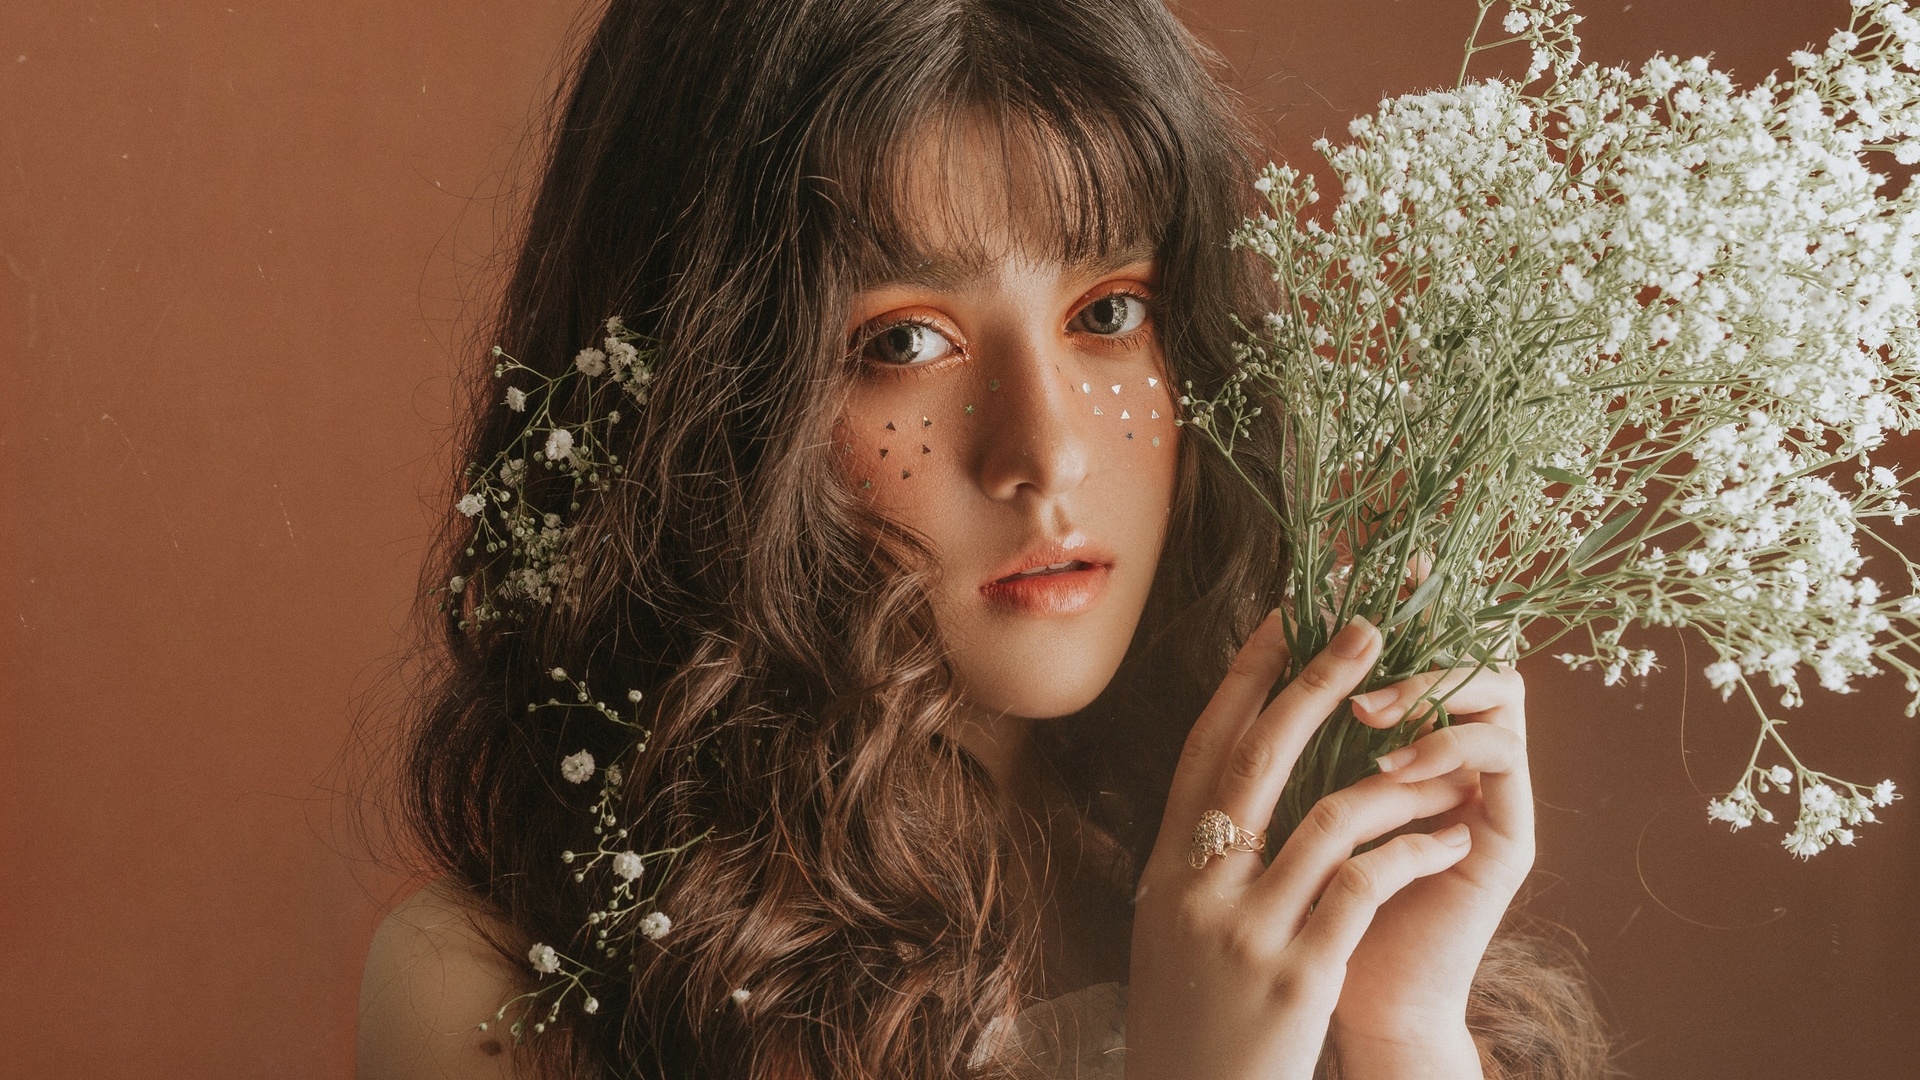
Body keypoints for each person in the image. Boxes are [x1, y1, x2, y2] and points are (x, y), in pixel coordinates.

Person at [356, 0, 1612, 1077]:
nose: (1047, 454)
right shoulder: (503, 991)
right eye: (902, 341)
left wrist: (1403, 1029)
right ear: (708, 405)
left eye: (1110, 311)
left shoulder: (1273, 873)